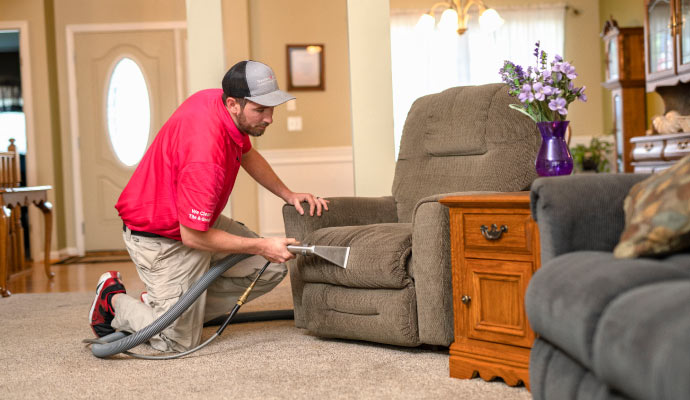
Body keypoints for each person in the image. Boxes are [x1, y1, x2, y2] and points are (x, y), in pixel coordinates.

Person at [88, 60, 329, 352]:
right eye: (261, 110)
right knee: (176, 341)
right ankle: (113, 301)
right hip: (161, 237)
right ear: (233, 104)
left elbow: (247, 154)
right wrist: (262, 244)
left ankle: (166, 308)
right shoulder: (206, 156)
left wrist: (287, 194)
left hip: (195, 222)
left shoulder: (216, 103)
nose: (270, 118)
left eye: (271, 108)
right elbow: (192, 237)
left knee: (268, 268)